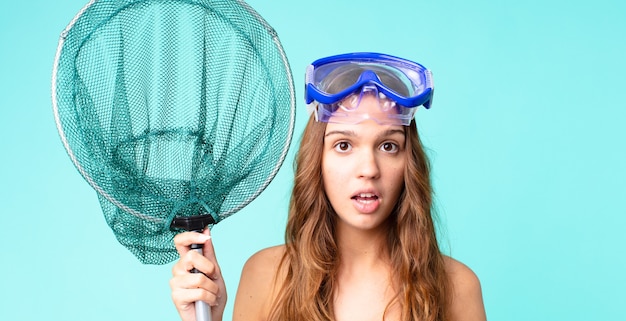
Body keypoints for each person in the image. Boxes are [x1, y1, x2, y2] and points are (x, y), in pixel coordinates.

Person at [170, 52, 487, 321]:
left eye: (388, 146)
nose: (368, 170)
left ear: (409, 163)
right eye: (344, 145)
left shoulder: (457, 287)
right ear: (317, 161)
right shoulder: (266, 276)